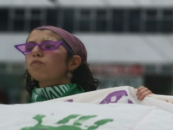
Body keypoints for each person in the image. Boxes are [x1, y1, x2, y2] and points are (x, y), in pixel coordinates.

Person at [15, 25, 151, 103]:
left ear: (73, 62)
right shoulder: (15, 116)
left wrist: (145, 100)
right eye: (28, 48)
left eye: (49, 46)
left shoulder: (103, 105)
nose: (35, 52)